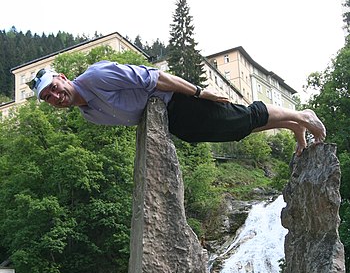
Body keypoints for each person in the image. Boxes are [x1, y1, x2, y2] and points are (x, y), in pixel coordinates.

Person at [28, 60, 326, 156]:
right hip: (171, 123)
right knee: (236, 130)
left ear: (63, 78)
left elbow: (158, 77)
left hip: (179, 103)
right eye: (48, 98)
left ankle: (302, 116)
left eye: (54, 88)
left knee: (241, 117)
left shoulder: (96, 76)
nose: (55, 97)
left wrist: (200, 91)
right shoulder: (87, 113)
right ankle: (293, 126)